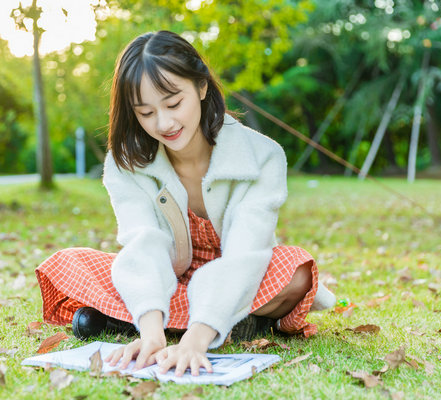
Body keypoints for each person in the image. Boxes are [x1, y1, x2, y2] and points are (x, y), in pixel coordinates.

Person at [35, 30, 336, 377]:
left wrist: (195, 342)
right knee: (70, 263)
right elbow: (142, 242)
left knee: (296, 273)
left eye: (174, 103)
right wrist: (151, 334)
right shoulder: (125, 164)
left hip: (242, 278)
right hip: (168, 282)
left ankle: (191, 325)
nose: (164, 123)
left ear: (202, 86)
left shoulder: (263, 156)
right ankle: (214, 324)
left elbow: (246, 255)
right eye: (146, 112)